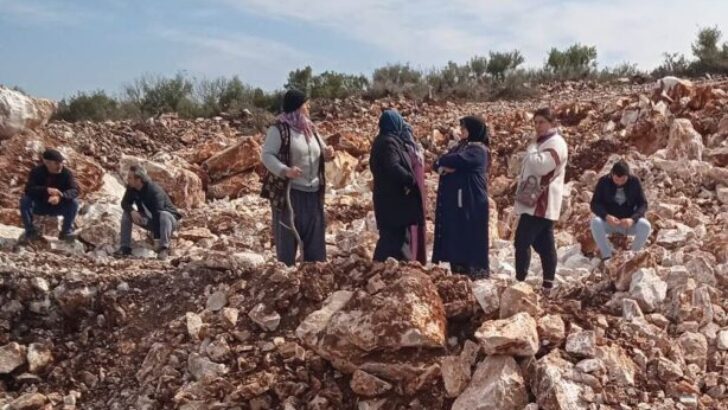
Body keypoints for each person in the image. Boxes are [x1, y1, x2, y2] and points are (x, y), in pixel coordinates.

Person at [261, 89, 334, 266]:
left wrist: (328, 153)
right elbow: (267, 155)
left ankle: (313, 279)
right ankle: (286, 282)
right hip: (290, 195)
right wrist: (285, 170)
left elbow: (321, 151)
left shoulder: (310, 129)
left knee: (315, 242)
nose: (308, 108)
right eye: (305, 105)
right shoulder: (280, 130)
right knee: (287, 238)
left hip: (313, 193)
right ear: (297, 108)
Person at [513, 108, 569, 293]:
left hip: (541, 202)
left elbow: (541, 166)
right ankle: (547, 285)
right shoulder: (544, 142)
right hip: (535, 199)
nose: (538, 126)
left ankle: (520, 281)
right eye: (535, 122)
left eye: (542, 122)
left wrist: (530, 149)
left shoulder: (556, 143)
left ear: (552, 123)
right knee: (544, 243)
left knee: (522, 240)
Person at [432, 116, 490, 278]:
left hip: (470, 202)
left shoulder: (478, 150)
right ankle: (458, 272)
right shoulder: (461, 146)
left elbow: (455, 160)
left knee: (469, 237)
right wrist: (445, 167)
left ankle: (474, 275)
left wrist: (447, 164)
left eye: (465, 128)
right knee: (457, 236)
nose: (462, 131)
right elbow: (438, 162)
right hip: (457, 203)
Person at [370, 109, 424, 262]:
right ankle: (388, 268)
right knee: (393, 237)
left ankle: (386, 268)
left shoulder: (386, 140)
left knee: (395, 236)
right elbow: (392, 166)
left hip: (390, 199)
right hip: (392, 200)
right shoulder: (388, 142)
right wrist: (410, 179)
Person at [114, 165, 181, 260]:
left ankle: (164, 248)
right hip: (150, 220)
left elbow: (157, 213)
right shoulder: (132, 188)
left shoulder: (153, 190)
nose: (127, 179)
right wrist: (132, 211)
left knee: (164, 215)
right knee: (127, 214)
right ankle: (125, 247)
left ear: (138, 180)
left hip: (167, 222)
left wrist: (156, 239)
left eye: (130, 177)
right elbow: (124, 203)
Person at [590, 160, 651, 261]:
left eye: (622, 180)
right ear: (612, 174)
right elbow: (594, 204)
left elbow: (643, 204)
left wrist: (632, 219)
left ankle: (632, 256)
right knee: (595, 222)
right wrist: (606, 216)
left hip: (628, 224)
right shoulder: (603, 181)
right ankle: (607, 256)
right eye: (616, 180)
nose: (619, 183)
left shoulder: (634, 182)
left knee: (645, 226)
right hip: (610, 223)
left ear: (628, 176)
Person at [19, 148, 79, 244]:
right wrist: (46, 190)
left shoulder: (66, 173)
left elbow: (75, 190)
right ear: (46, 163)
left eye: (61, 163)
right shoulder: (37, 172)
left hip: (58, 206)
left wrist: (61, 196)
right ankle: (30, 232)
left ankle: (66, 232)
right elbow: (29, 189)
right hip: (40, 205)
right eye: (56, 163)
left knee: (74, 203)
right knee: (25, 201)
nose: (60, 166)